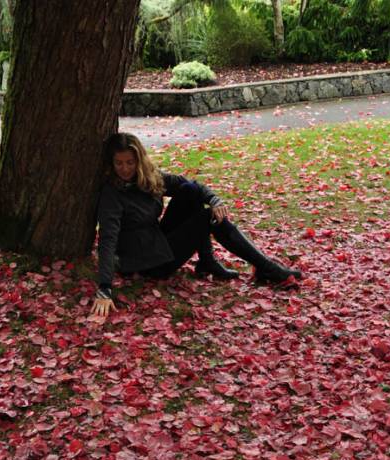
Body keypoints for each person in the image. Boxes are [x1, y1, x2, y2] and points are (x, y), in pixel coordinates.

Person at [90, 133, 301, 320]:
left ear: (139, 161)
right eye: (119, 163)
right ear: (111, 164)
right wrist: (105, 288)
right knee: (207, 217)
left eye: (130, 162)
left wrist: (215, 200)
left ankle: (207, 262)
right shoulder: (112, 194)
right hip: (148, 262)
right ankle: (267, 268)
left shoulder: (148, 178)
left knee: (189, 191)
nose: (125, 169)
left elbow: (192, 184)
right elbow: (108, 239)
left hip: (157, 241)